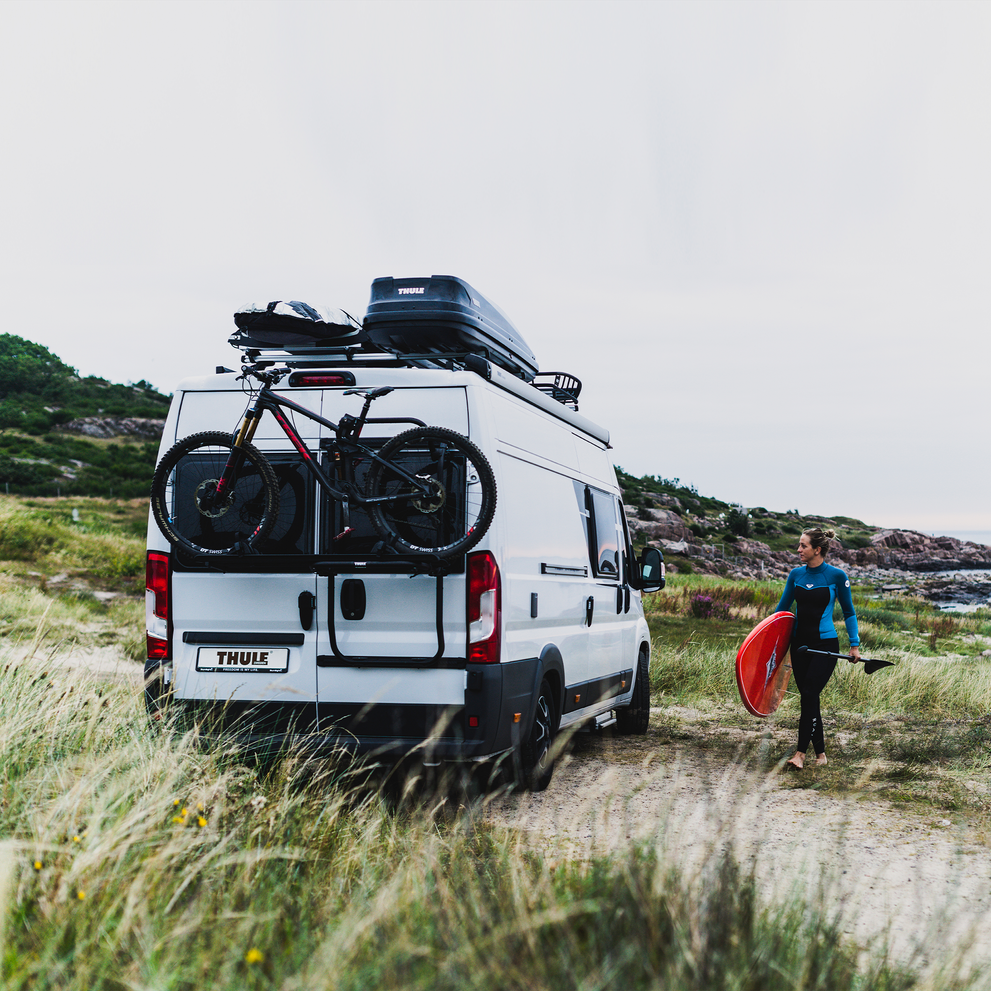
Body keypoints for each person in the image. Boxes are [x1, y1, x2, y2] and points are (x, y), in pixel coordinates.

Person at [775, 527, 860, 770]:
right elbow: (781, 610)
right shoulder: (795, 575)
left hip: (825, 646)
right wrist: (768, 641)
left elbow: (849, 612)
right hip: (799, 645)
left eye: (803, 545)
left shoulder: (836, 576)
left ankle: (800, 754)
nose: (798, 549)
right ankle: (821, 754)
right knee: (809, 698)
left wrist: (854, 645)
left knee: (810, 694)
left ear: (817, 550)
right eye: (799, 545)